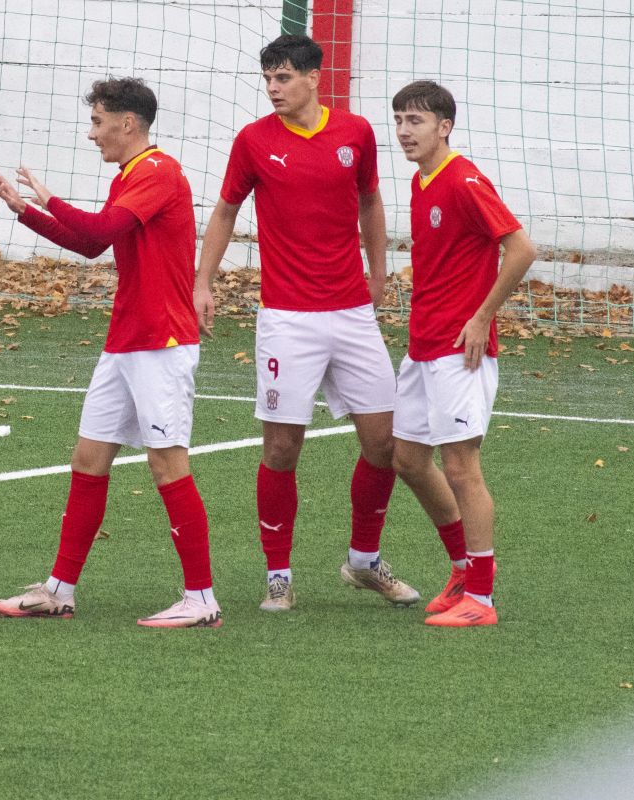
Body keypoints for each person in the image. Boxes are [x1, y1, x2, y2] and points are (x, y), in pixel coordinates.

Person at [0, 77, 221, 628]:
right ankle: (59, 591)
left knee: (167, 465)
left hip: (161, 343)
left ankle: (202, 600)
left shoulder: (159, 172)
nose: (92, 134)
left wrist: (48, 198)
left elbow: (104, 226)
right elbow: (93, 244)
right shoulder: (130, 176)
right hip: (126, 343)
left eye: (97, 122)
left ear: (127, 123)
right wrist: (24, 211)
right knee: (88, 460)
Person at [194, 34, 416, 612]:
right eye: (268, 79)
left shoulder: (355, 133)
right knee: (281, 449)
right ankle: (278, 575)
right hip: (287, 320)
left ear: (315, 78)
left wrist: (378, 271)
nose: (274, 88)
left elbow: (370, 200)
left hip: (352, 314)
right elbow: (225, 211)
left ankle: (363, 561)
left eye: (284, 77)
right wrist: (202, 282)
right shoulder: (253, 141)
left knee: (386, 444)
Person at [389, 80, 535, 627]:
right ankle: (460, 570)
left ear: (444, 127)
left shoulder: (465, 180)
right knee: (408, 460)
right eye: (399, 120)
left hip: (460, 351)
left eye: (416, 121)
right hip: (423, 346)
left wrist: (481, 317)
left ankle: (482, 599)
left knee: (460, 468)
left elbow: (521, 249)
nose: (404, 131)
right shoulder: (420, 180)